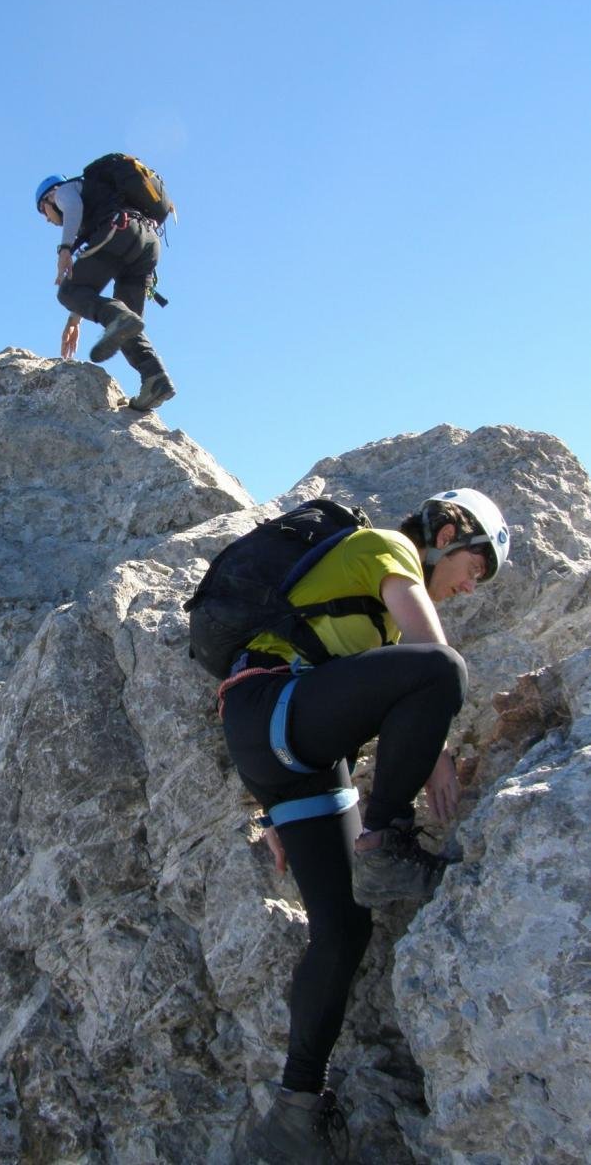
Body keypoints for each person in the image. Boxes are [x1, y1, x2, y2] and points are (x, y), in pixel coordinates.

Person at [219, 489, 510, 1164]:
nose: (471, 585)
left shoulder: (364, 619)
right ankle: (388, 840)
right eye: (476, 565)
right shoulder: (389, 548)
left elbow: (348, 694)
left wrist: (278, 812)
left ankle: (295, 1112)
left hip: (288, 748)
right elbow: (427, 650)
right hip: (275, 709)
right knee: (442, 668)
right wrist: (436, 749)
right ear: (444, 532)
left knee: (346, 926)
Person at [35, 173, 176, 412]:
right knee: (125, 329)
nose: (48, 220)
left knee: (68, 290)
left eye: (43, 211)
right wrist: (75, 318)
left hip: (121, 228)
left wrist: (65, 249)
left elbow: (71, 205)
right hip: (148, 244)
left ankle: (119, 318)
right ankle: (155, 380)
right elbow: (95, 276)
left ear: (49, 197)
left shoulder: (64, 191)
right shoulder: (101, 201)